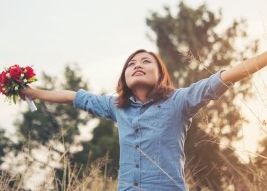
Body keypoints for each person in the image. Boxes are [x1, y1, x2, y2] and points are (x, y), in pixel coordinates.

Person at [21, 49, 267, 191]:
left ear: (161, 74)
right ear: (124, 77)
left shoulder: (179, 101)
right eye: (131, 64)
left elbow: (223, 78)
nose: (137, 65)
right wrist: (34, 93)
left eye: (146, 61)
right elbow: (74, 97)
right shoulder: (117, 107)